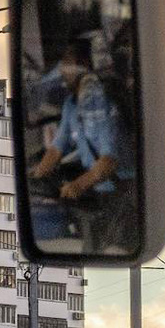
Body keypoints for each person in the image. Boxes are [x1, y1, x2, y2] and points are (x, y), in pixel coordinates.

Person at [26, 39, 134, 247]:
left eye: (68, 62)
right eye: (62, 64)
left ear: (84, 64)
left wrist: (77, 186)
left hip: (120, 194)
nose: (62, 70)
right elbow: (57, 148)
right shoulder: (70, 104)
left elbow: (108, 161)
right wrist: (37, 174)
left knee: (107, 247)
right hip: (99, 193)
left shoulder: (98, 101)